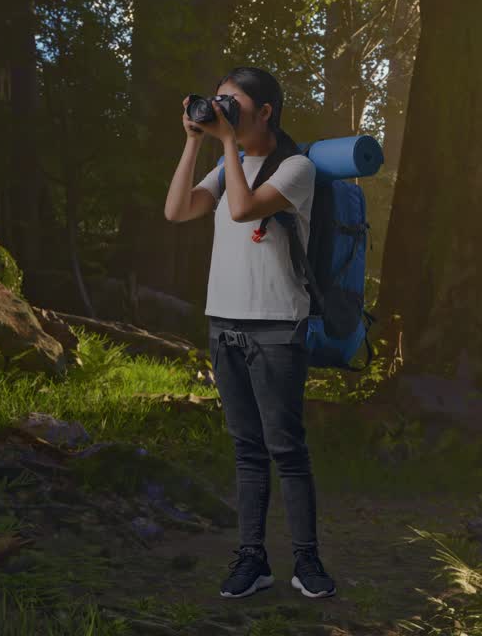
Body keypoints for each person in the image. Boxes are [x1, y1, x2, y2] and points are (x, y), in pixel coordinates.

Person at [163, 66, 335, 599]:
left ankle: (306, 563)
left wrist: (227, 145)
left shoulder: (297, 168)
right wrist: (196, 143)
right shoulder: (226, 163)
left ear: (265, 111)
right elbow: (176, 210)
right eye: (218, 103)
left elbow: (241, 210)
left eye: (232, 105)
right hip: (225, 323)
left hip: (277, 327)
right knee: (246, 451)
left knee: (287, 449)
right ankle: (251, 560)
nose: (222, 112)